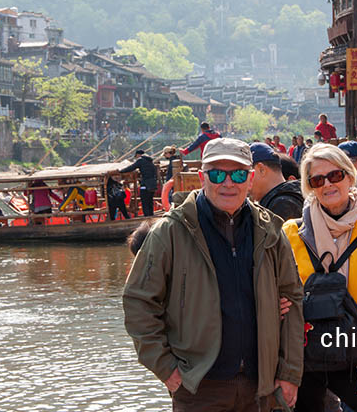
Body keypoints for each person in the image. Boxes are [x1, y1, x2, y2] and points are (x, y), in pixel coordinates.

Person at [123, 137, 304, 411]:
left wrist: (289, 373)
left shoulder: (270, 231)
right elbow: (139, 301)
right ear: (202, 177)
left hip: (261, 387)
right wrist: (165, 367)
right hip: (199, 388)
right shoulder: (171, 232)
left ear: (251, 178)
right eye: (217, 174)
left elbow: (292, 298)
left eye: (238, 174)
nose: (228, 183)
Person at [282, 143, 357, 412]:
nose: (327, 184)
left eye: (335, 176)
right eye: (317, 179)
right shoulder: (292, 233)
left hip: (352, 349)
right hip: (304, 352)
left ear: (350, 176)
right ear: (310, 187)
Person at [249, 142, 304, 221]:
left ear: (261, 169)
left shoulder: (282, 206)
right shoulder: (291, 196)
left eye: (245, 173)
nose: (243, 181)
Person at [119, 149, 158, 216]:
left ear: (138, 155)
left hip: (145, 184)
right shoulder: (150, 161)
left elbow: (132, 167)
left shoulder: (141, 160)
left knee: (144, 201)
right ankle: (151, 215)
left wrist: (120, 171)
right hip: (153, 185)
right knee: (150, 201)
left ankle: (147, 217)